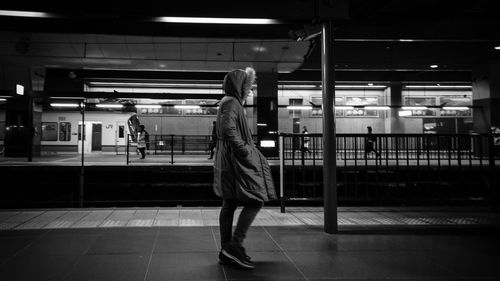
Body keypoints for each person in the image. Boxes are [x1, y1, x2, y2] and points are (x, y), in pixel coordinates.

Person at [213, 67, 276, 269]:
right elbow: (228, 129)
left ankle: (227, 251)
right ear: (239, 87)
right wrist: (244, 151)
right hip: (234, 160)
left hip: (227, 158)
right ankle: (234, 246)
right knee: (256, 200)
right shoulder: (232, 102)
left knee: (229, 203)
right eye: (247, 88)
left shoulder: (227, 101)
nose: (249, 92)